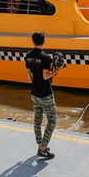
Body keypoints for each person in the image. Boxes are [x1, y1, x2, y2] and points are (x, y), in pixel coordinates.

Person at [24, 31, 64, 159]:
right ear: (44, 41)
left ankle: (39, 144)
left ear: (33, 41)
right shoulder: (46, 57)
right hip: (46, 93)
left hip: (34, 92)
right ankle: (43, 148)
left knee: (37, 119)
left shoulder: (28, 55)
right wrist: (58, 69)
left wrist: (34, 83)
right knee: (52, 120)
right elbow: (46, 76)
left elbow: (28, 75)